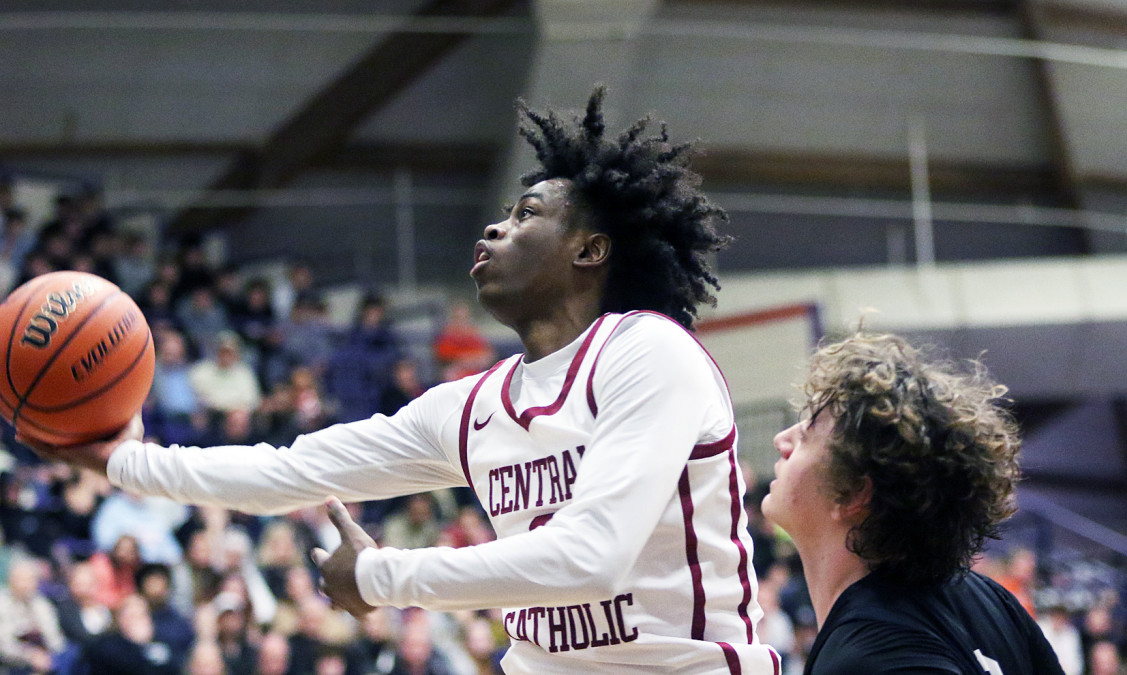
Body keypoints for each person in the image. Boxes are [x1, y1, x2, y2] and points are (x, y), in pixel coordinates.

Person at [25, 86, 777, 672]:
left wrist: (383, 576)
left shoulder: (649, 353)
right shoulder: (476, 405)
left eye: (525, 215)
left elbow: (591, 554)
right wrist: (116, 458)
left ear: (589, 250)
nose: (494, 228)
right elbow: (290, 471)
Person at [762, 333, 1064, 674]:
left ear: (854, 493)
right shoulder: (992, 601)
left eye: (806, 435)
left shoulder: (868, 659)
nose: (781, 439)